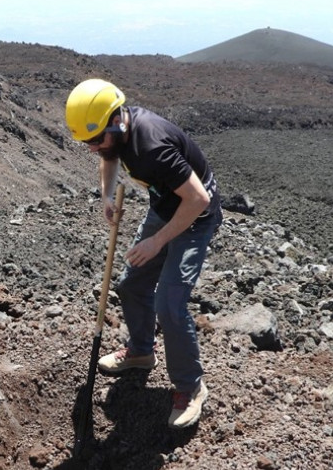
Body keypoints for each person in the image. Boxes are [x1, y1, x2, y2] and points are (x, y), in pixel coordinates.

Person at [65, 78, 222, 429]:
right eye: (86, 142)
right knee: (131, 284)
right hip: (166, 209)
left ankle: (190, 387)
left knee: (169, 303)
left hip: (194, 218)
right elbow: (108, 156)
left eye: (95, 139)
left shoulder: (151, 145)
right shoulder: (115, 134)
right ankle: (141, 352)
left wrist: (157, 242)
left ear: (117, 121)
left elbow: (199, 200)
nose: (92, 148)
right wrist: (106, 195)